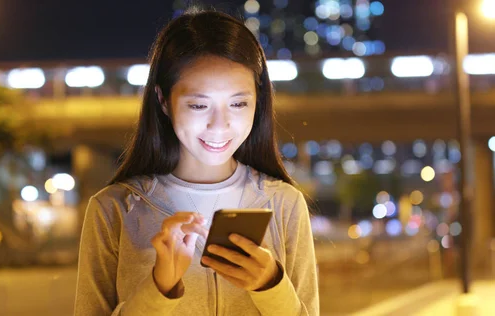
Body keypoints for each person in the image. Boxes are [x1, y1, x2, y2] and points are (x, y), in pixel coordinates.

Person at [74, 8, 319, 316]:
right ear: (163, 100)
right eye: (199, 104)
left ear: (259, 101)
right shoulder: (115, 210)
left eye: (239, 103)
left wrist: (271, 286)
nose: (220, 125)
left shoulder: (283, 204)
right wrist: (160, 287)